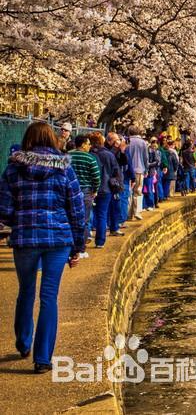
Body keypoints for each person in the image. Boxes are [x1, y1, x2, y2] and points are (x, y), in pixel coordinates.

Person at [0, 122, 89, 373]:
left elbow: (5, 211)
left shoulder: (13, 170)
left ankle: (23, 342)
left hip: (26, 237)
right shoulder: (65, 169)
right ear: (53, 139)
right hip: (58, 238)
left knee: (26, 290)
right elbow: (76, 209)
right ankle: (42, 359)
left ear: (27, 139)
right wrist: (78, 246)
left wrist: (18, 217)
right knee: (49, 296)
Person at [66, 135, 100, 258]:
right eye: (88, 143)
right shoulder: (90, 158)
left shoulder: (67, 156)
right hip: (85, 190)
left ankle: (68, 248)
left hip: (68, 190)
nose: (90, 146)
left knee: (69, 219)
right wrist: (95, 190)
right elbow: (96, 177)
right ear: (83, 144)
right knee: (84, 220)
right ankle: (80, 249)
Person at [125, 127, 149, 219]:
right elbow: (145, 158)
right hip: (139, 169)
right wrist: (146, 169)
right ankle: (137, 212)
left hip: (128, 169)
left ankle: (128, 214)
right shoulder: (142, 142)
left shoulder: (127, 141)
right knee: (138, 191)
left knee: (128, 191)